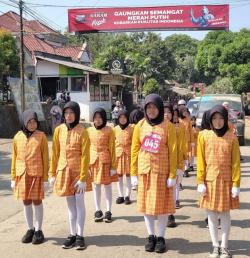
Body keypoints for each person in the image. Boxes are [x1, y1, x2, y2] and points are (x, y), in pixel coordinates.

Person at [131, 94, 177, 253]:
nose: (151, 110)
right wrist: (133, 173)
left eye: (154, 107)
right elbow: (135, 150)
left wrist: (172, 175)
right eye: (148, 107)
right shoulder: (140, 125)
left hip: (161, 172)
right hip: (144, 171)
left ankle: (161, 237)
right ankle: (151, 235)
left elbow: (173, 151)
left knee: (162, 206)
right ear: (144, 109)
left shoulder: (167, 126)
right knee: (146, 206)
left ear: (159, 108)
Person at [197, 105, 241, 258]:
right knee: (211, 215)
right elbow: (201, 160)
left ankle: (225, 246)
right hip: (209, 181)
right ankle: (215, 245)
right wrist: (200, 181)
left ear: (225, 119)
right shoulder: (203, 135)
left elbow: (235, 162)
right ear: (210, 119)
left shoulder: (232, 137)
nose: (218, 121)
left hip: (226, 181)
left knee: (225, 214)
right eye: (214, 118)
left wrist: (236, 184)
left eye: (221, 118)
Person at [50, 101, 90, 250]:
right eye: (66, 113)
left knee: (79, 204)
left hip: (78, 173)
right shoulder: (59, 130)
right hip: (64, 171)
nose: (68, 116)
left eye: (72, 113)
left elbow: (86, 155)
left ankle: (80, 235)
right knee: (70, 206)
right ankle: (72, 234)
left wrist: (83, 178)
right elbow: (54, 153)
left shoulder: (83, 131)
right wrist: (52, 173)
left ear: (76, 114)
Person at [11, 110, 49, 244]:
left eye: (34, 122)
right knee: (26, 201)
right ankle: (30, 229)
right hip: (22, 175)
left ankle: (38, 230)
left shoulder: (41, 136)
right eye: (29, 122)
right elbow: (15, 158)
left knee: (37, 201)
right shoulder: (17, 137)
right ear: (24, 122)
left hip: (36, 174)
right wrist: (13, 177)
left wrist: (46, 178)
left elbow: (45, 158)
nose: (32, 124)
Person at [87, 108, 117, 223]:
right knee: (96, 186)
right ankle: (97, 210)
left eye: (100, 117)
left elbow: (112, 149)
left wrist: (113, 166)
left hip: (106, 162)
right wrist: (87, 166)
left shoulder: (109, 130)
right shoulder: (89, 131)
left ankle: (108, 211)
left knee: (107, 186)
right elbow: (86, 148)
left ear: (104, 118)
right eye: (95, 118)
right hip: (93, 162)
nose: (98, 120)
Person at [113, 110, 134, 205]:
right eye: (120, 117)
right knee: (119, 176)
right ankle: (120, 195)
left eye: (124, 117)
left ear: (127, 118)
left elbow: (134, 142)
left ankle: (127, 196)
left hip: (128, 154)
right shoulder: (115, 129)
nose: (122, 119)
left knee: (128, 175)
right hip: (118, 155)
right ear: (118, 118)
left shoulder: (131, 128)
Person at [179, 106, 194, 177]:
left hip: (187, 141)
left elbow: (191, 131)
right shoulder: (178, 120)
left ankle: (185, 170)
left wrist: (192, 141)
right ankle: (182, 169)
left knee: (187, 156)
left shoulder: (188, 120)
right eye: (183, 111)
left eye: (186, 111)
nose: (185, 113)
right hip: (180, 141)